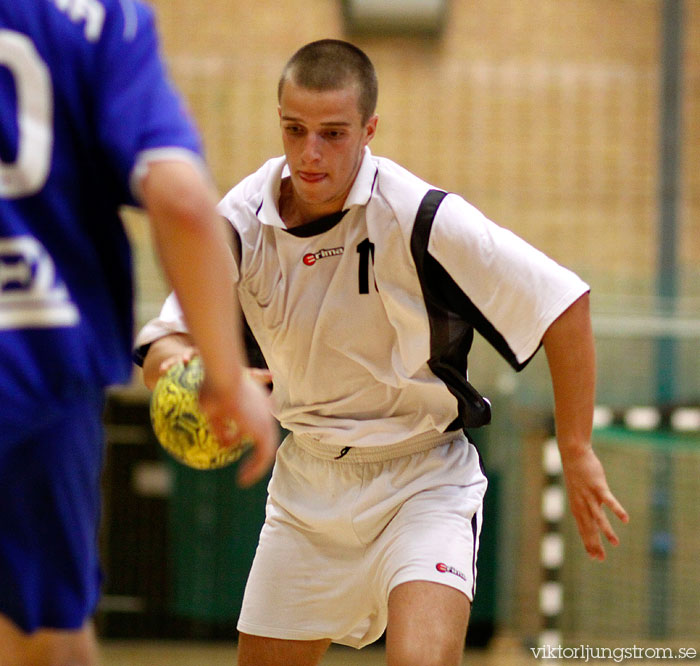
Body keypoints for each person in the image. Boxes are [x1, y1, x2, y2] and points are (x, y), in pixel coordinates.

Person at [136, 39, 629, 666]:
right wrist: (189, 371)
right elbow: (162, 340)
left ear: (369, 130)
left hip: (422, 478)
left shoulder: (419, 216)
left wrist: (577, 445)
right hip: (307, 482)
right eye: (295, 130)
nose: (310, 153)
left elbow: (562, 302)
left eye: (333, 134)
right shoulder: (240, 219)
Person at [0, 1, 276, 664]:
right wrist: (224, 368)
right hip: (37, 360)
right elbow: (180, 199)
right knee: (46, 636)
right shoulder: (99, 20)